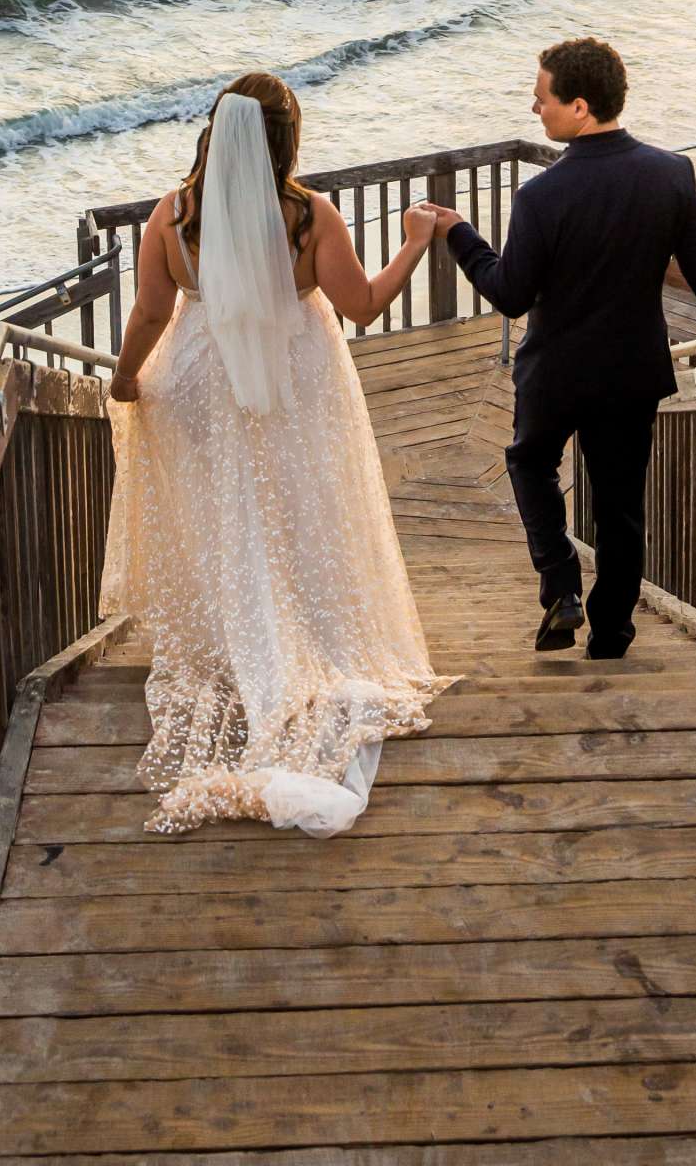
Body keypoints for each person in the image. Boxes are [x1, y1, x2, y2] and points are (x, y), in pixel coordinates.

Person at [98, 72, 453, 836]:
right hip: (294, 376)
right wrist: (416, 243)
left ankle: (241, 642)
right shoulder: (308, 216)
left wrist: (126, 378)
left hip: (199, 376)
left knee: (226, 510)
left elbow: (153, 311)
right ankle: (299, 641)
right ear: (285, 136)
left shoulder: (174, 215)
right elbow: (362, 306)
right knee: (298, 505)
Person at [425, 38, 696, 658]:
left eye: (542, 97)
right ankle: (612, 636)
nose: (534, 106)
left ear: (578, 107)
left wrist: (459, 234)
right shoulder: (670, 173)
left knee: (527, 462)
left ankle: (560, 586)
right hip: (631, 368)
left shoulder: (542, 195)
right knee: (621, 505)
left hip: (557, 371)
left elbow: (511, 293)